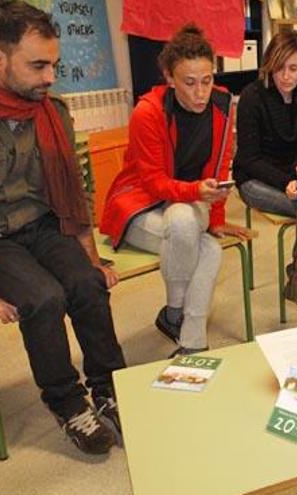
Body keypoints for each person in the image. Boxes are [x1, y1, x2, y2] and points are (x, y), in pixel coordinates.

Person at [0, 1, 125, 454]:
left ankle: (110, 387)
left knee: (89, 284)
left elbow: (73, 192)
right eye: (38, 65)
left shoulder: (53, 111)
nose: (51, 76)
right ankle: (67, 401)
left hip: (43, 227)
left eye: (54, 64)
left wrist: (93, 259)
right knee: (43, 298)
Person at [100, 24, 250, 356]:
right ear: (169, 77)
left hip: (189, 199)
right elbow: (153, 181)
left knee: (189, 225)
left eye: (207, 80)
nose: (201, 92)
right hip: (139, 202)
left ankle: (181, 329)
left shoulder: (224, 105)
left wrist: (217, 218)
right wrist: (198, 191)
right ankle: (180, 319)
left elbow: (221, 167)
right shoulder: (147, 112)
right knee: (202, 243)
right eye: (189, 82)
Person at [233, 31, 297, 311]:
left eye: (294, 68)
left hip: (289, 177)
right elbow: (249, 159)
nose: (286, 76)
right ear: (269, 66)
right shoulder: (252, 97)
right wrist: (286, 181)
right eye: (279, 68)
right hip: (255, 179)